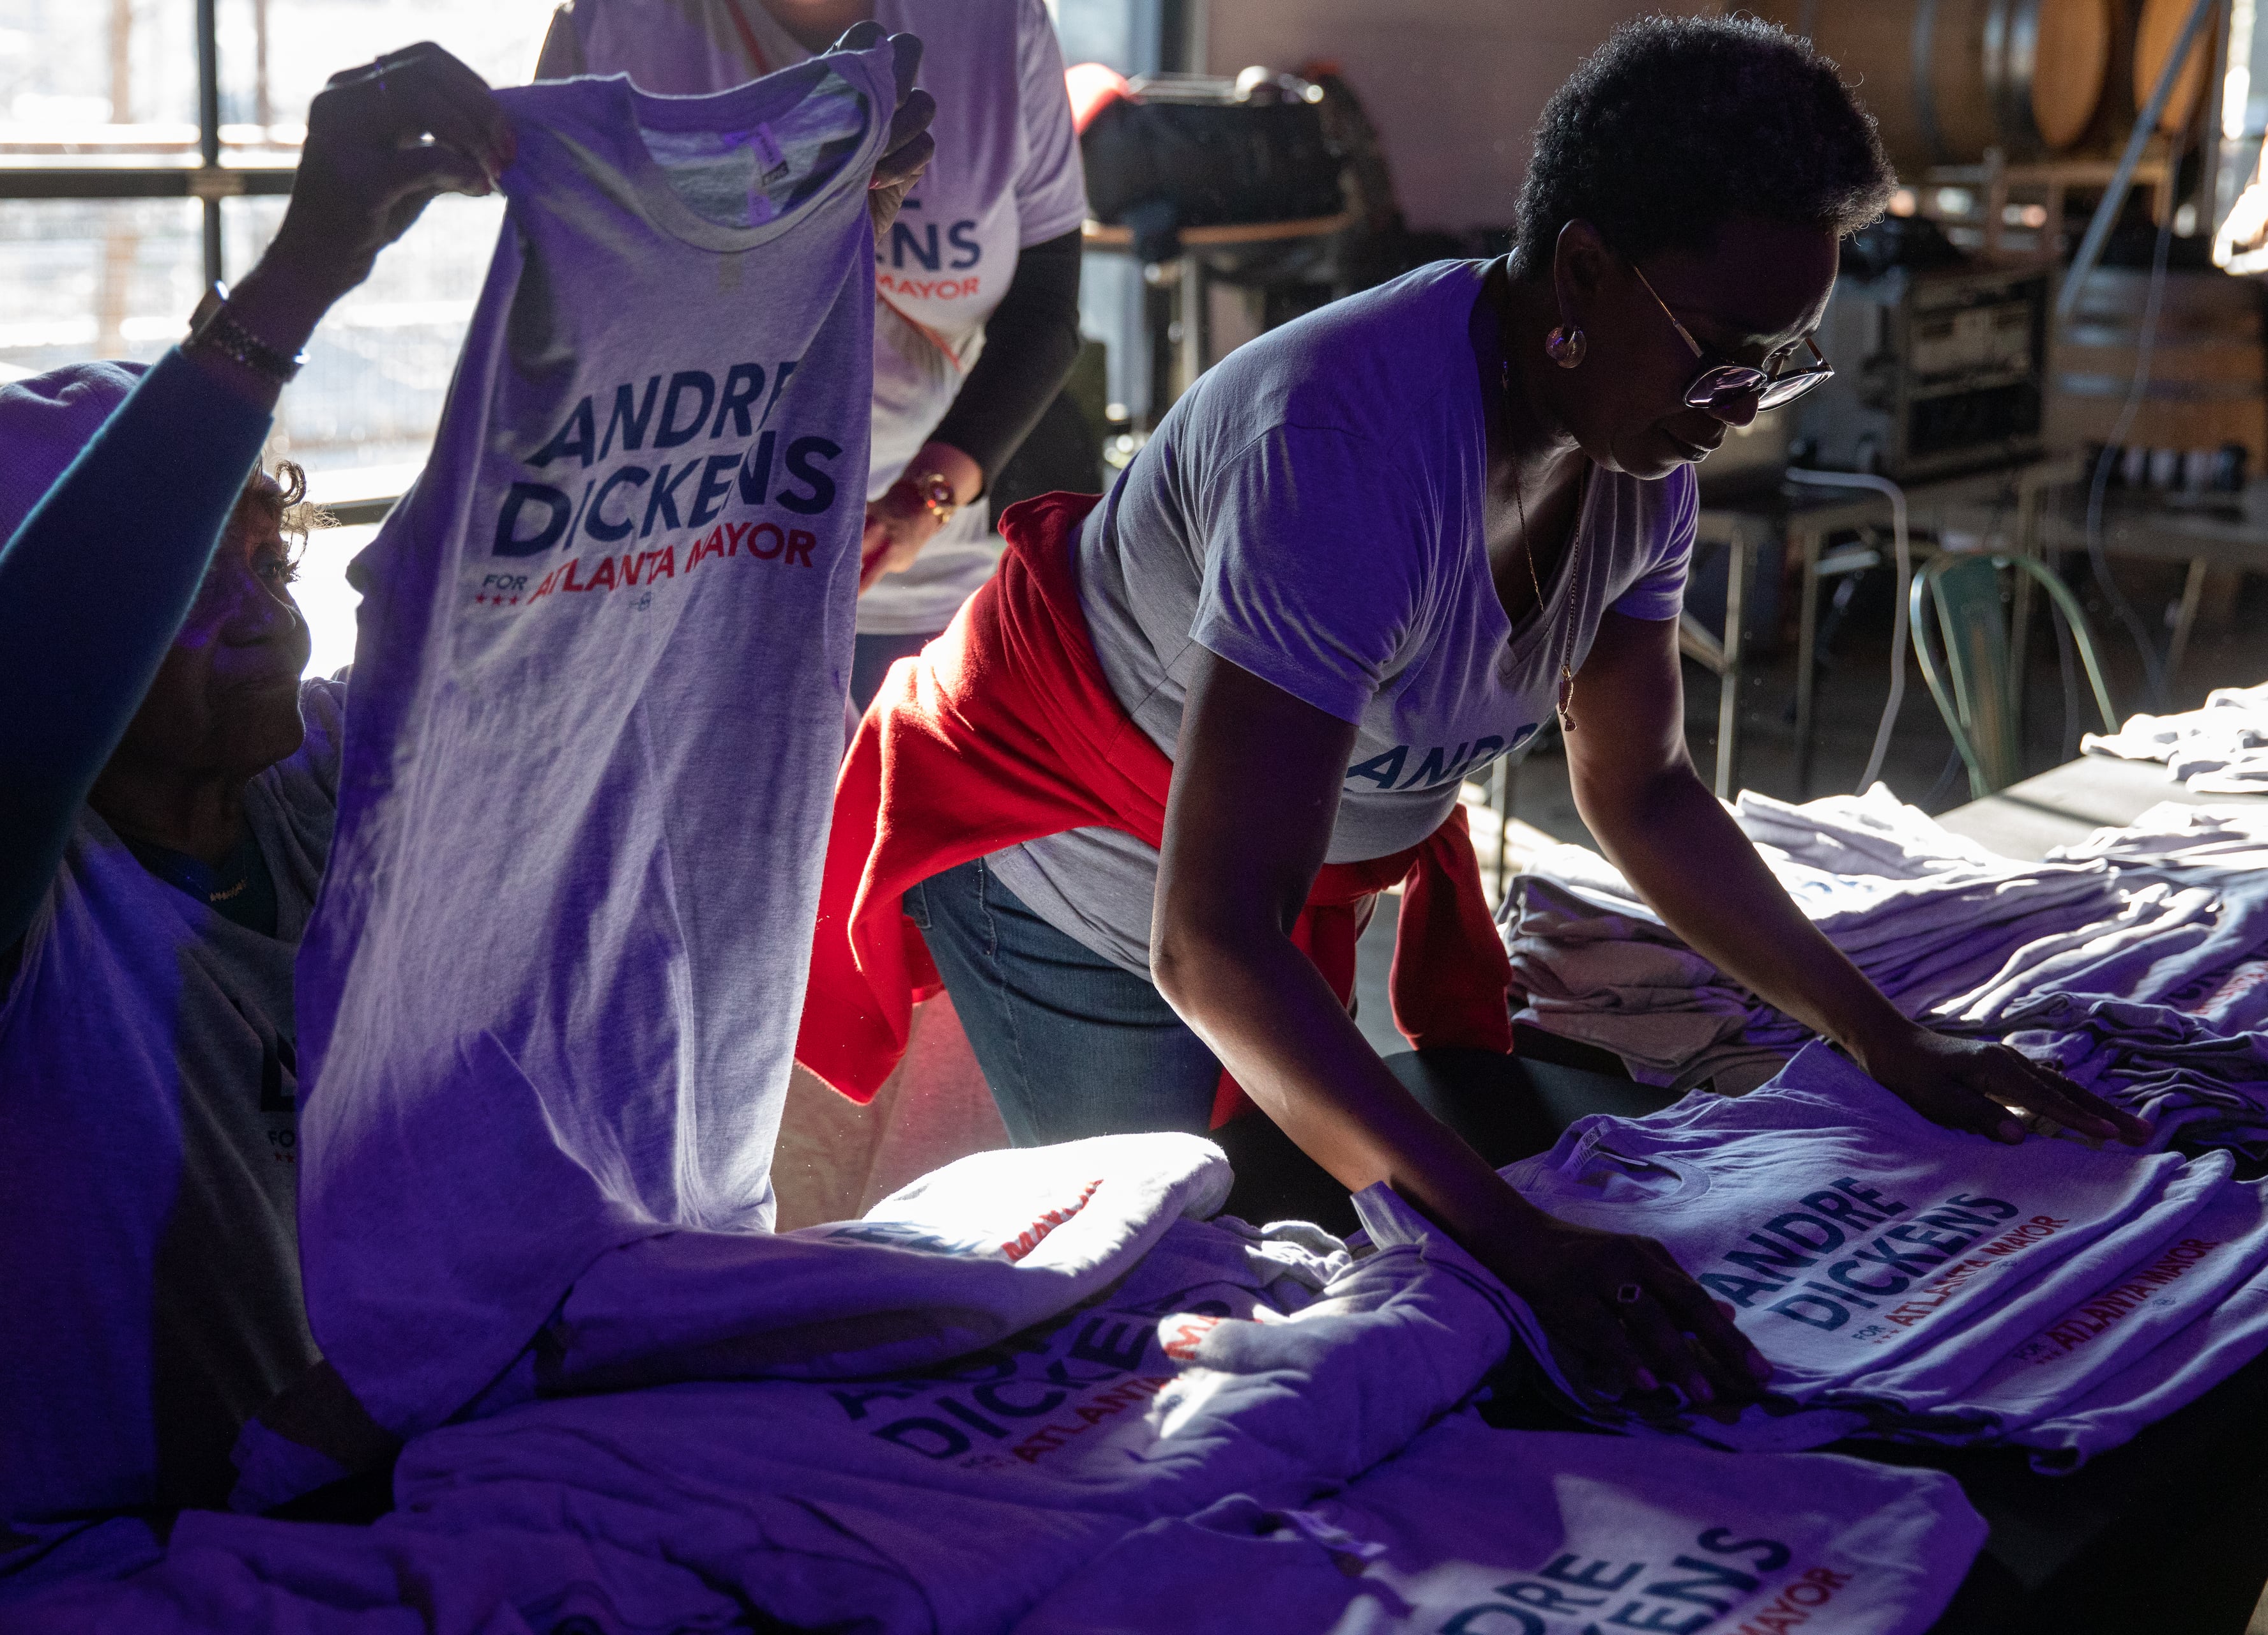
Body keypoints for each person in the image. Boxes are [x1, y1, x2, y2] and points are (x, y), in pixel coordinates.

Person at [798, 16, 2153, 1413]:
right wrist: (1523, 1242)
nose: (1741, 406)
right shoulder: (1340, 452)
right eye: (1726, 351)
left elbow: (1644, 789)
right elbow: (1208, 941)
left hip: (1257, 863)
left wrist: (1888, 1037)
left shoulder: (1642, 467)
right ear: (1580, 268)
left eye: (1781, 363)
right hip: (1073, 852)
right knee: (1163, 1304)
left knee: (1338, 1243)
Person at [0, 36, 932, 1630]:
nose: (258, 602)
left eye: (258, 549)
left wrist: (789, 254)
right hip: (83, 1575)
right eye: (187, 582)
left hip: (389, 1508)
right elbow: (29, 686)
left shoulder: (335, 784)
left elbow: (597, 603)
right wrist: (300, 272)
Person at [538, 0, 1087, 709]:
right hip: (692, 559)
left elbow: (1046, 314)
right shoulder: (612, 26)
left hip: (938, 562)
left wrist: (923, 500)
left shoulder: (994, 21)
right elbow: (560, 323)